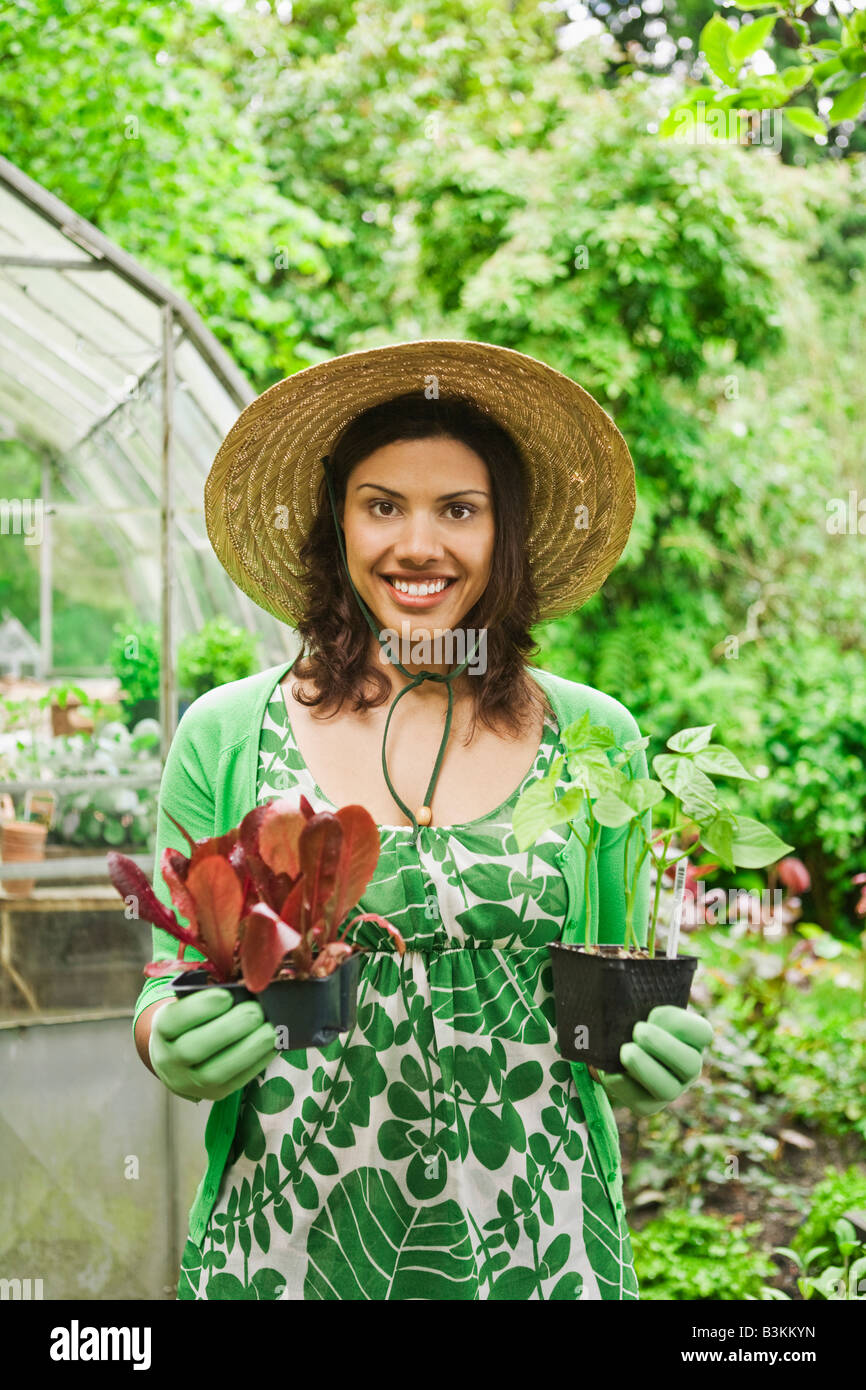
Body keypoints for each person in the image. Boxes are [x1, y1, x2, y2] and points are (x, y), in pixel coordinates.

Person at [132, 339, 713, 1300]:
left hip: (537, 1238)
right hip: (290, 1242)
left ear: (505, 533)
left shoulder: (594, 738)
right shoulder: (229, 733)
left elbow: (624, 967)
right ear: (338, 526)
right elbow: (165, 978)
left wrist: (652, 1052)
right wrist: (168, 1040)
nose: (418, 544)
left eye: (459, 510)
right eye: (382, 505)